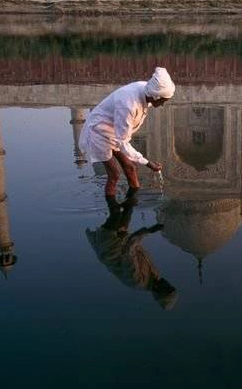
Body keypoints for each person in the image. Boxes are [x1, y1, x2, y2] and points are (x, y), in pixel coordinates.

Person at [79, 67, 175, 197]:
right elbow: (123, 142)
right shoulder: (128, 104)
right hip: (99, 132)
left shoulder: (147, 89)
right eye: (162, 101)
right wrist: (147, 163)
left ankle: (133, 199)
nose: (163, 104)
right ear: (155, 96)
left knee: (130, 167)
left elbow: (121, 138)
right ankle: (112, 207)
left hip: (114, 131)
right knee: (114, 175)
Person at [86, 196, 178, 310]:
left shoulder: (137, 281)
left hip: (109, 248)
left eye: (167, 288)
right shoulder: (155, 275)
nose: (168, 283)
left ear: (160, 292)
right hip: (122, 240)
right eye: (170, 286)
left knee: (116, 214)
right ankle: (125, 186)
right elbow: (137, 248)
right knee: (130, 205)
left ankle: (110, 188)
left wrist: (149, 231)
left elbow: (129, 251)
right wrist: (145, 232)